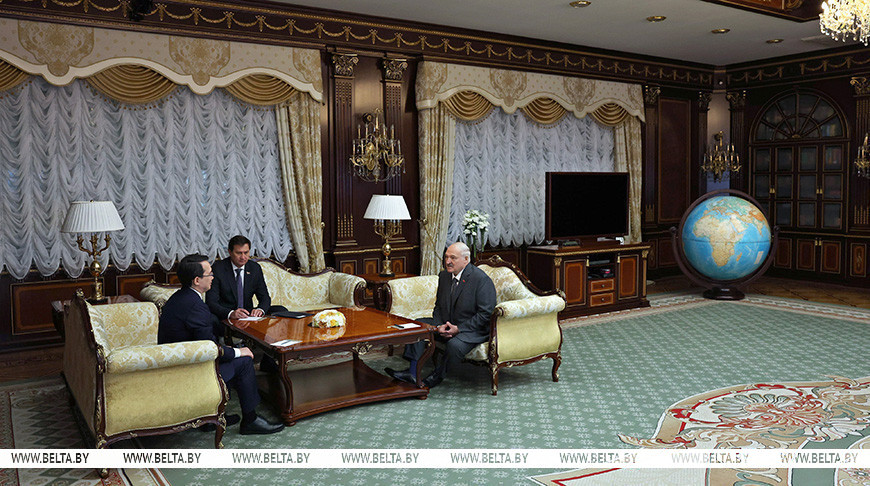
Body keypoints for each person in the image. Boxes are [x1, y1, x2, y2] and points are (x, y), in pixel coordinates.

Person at [158, 254, 284, 435]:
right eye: (210, 274)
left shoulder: (180, 297)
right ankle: (250, 421)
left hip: (177, 365)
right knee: (244, 362)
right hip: (189, 373)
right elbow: (209, 350)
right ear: (197, 280)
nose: (213, 277)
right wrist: (238, 352)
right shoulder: (195, 306)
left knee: (235, 354)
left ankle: (211, 418)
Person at [385, 242, 496, 388]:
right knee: (418, 325)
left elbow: (485, 314)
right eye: (446, 257)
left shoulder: (481, 280)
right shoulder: (444, 276)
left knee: (454, 345)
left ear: (466, 259)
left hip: (472, 329)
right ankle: (412, 372)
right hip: (447, 323)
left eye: (453, 258)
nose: (448, 261)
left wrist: (459, 329)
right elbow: (438, 306)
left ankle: (437, 376)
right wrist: (438, 325)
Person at [206, 235, 286, 321]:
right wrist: (231, 313)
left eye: (246, 252)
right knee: (212, 318)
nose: (243, 257)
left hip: (248, 313)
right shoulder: (218, 268)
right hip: (227, 314)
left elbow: (264, 297)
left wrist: (260, 309)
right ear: (230, 252)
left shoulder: (254, 268)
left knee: (280, 309)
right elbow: (211, 302)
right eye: (239, 253)